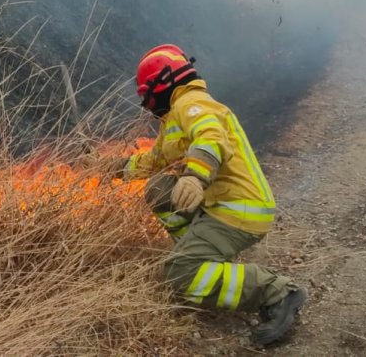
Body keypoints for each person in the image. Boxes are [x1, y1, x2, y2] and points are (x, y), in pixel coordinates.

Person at [121, 44, 306, 346]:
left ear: (161, 84)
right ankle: (198, 253)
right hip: (220, 205)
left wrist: (194, 176)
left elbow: (210, 137)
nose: (147, 104)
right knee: (159, 189)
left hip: (238, 211)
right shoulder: (176, 117)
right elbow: (154, 160)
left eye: (147, 95)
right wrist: (117, 168)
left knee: (178, 276)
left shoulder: (193, 104)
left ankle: (277, 293)